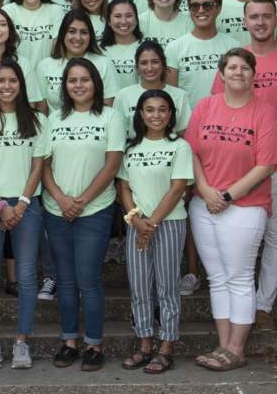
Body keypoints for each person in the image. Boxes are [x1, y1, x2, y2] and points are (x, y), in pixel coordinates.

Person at [211, 0, 277, 330]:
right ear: (244, 21)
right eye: (254, 16)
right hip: (238, 167)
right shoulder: (235, 62)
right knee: (236, 233)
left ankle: (263, 306)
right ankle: (234, 301)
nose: (260, 22)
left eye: (267, 17)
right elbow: (219, 113)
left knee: (275, 236)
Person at [184, 48, 277, 371]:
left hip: (244, 208)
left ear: (253, 75)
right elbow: (192, 153)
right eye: (232, 67)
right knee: (217, 278)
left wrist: (225, 196)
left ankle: (237, 349)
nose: (238, 72)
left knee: (239, 279)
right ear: (221, 74)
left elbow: (265, 165)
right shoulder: (205, 106)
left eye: (244, 68)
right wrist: (205, 190)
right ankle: (223, 345)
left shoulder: (264, 112)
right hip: (204, 205)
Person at [41, 58, 125, 371]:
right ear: (64, 85)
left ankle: (93, 344)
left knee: (88, 279)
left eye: (85, 80)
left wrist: (82, 200)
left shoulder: (110, 116)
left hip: (96, 209)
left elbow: (112, 163)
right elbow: (44, 165)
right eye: (72, 80)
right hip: (56, 209)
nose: (78, 85)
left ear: (95, 83)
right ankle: (69, 341)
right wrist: (62, 199)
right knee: (65, 279)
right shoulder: (53, 119)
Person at [0, 60, 48, 370]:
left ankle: (21, 342)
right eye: (0, 80)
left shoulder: (38, 119)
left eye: (12, 80)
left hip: (26, 205)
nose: (6, 86)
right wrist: (1, 206)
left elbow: (38, 165)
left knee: (27, 276)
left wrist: (22, 203)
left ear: (21, 84)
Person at [116, 89, 193, 373]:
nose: (156, 115)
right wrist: (137, 222)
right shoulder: (131, 148)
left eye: (162, 110)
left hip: (169, 223)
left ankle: (166, 346)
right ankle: (145, 345)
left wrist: (152, 224)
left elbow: (178, 188)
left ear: (170, 114)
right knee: (139, 288)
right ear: (141, 114)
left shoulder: (180, 147)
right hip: (137, 224)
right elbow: (123, 187)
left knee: (167, 287)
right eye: (150, 110)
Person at [165, 0, 243, 111]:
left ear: (218, 8)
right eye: (194, 6)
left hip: (225, 123)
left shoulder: (233, 47)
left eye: (207, 5)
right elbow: (173, 95)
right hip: (189, 126)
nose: (200, 10)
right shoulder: (174, 48)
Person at [35, 7, 119, 113]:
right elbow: (42, 111)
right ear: (62, 34)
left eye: (83, 32)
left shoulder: (104, 64)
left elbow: (108, 108)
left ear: (90, 36)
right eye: (72, 31)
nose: (78, 37)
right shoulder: (44, 66)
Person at [2, 0, 66, 69]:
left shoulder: (55, 11)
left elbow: (57, 48)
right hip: (15, 74)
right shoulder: (8, 11)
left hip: (47, 72)